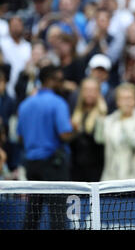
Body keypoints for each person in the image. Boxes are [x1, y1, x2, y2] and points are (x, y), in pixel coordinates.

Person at [17, 65, 74, 229]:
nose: (62, 83)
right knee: (57, 216)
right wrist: (76, 130)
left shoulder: (25, 104)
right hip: (53, 167)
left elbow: (20, 136)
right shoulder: (58, 103)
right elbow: (64, 134)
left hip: (32, 165)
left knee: (32, 214)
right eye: (60, 80)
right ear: (50, 80)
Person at [97, 83, 135, 181]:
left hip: (134, 179)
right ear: (117, 102)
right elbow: (99, 139)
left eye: (130, 98)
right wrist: (101, 116)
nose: (126, 102)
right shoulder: (109, 120)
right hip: (110, 178)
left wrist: (124, 122)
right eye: (122, 98)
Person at [70, 78, 107, 182]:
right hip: (76, 169)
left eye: (93, 90)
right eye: (86, 90)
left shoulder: (105, 114)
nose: (89, 93)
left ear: (99, 92)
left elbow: (100, 142)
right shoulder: (74, 113)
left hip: (97, 170)